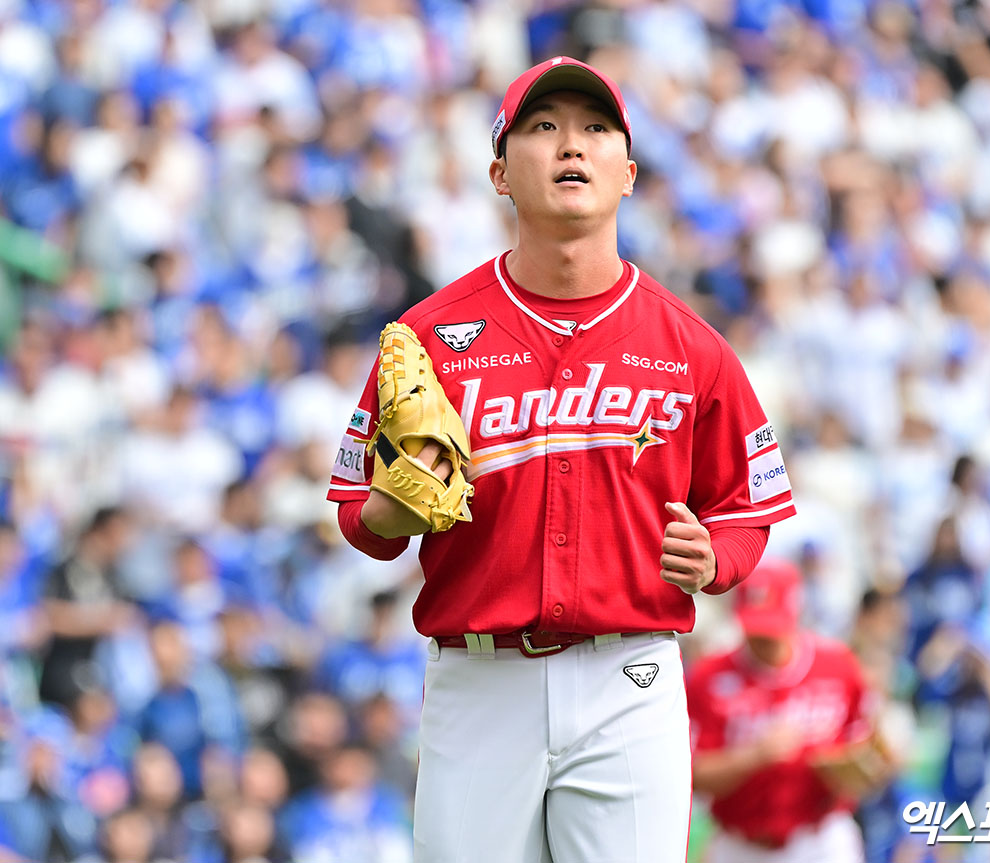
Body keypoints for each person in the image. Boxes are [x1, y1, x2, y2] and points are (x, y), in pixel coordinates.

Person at [328, 56, 796, 862]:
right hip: (479, 681)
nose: (570, 144)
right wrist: (388, 510)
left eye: (594, 128)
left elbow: (747, 509)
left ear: (629, 173)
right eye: (542, 127)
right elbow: (356, 515)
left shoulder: (692, 346)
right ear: (499, 173)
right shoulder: (431, 337)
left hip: (631, 675)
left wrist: (716, 557)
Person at [687, 559, 887, 863]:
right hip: (740, 843)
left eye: (771, 625)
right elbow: (694, 774)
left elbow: (868, 747)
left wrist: (853, 766)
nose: (761, 637)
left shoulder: (838, 666)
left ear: (796, 613)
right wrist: (754, 755)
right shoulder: (709, 676)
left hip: (821, 840)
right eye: (753, 625)